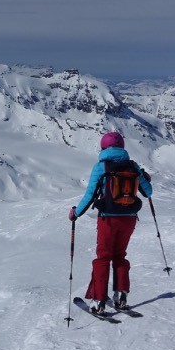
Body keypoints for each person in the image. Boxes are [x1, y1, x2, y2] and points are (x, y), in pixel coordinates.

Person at [69, 131, 152, 314]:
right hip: (129, 219)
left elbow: (90, 195)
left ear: (103, 148)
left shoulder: (101, 167)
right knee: (120, 255)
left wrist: (76, 213)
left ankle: (98, 301)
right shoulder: (133, 166)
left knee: (103, 257)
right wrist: (145, 178)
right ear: (122, 147)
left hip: (108, 219)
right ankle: (121, 296)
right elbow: (148, 192)